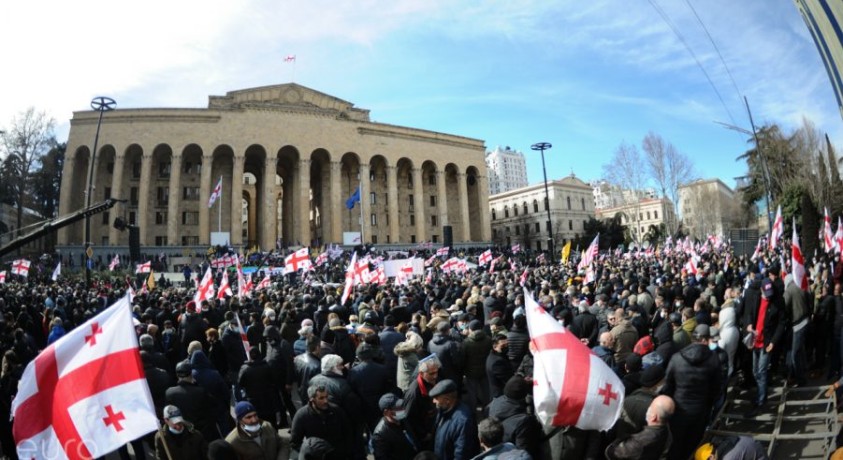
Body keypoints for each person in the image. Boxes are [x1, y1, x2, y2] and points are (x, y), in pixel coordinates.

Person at [661, 324, 722, 460]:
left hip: (678, 410)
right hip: (700, 411)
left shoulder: (677, 358)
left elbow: (667, 386)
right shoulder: (713, 359)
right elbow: (717, 388)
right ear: (706, 340)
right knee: (693, 445)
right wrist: (708, 405)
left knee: (675, 445)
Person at [746, 278, 784, 416]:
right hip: (755, 340)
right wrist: (749, 325)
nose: (768, 296)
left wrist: (773, 342)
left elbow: (781, 324)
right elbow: (751, 314)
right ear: (761, 289)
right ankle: (762, 394)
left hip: (767, 343)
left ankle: (761, 401)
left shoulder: (777, 302)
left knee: (761, 372)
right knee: (755, 371)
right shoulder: (756, 297)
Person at [290, 384, 354, 460]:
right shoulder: (301, 415)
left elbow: (348, 433)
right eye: (321, 398)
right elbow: (295, 442)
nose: (326, 401)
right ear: (312, 399)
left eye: (326, 397)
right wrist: (310, 453)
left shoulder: (337, 411)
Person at [604, 395, 675, 460]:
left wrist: (620, 439)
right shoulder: (667, 434)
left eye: (651, 406)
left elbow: (611, 453)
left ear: (654, 417)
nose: (648, 407)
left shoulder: (638, 442)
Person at [164, 361, 217, 441]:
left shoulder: (169, 393)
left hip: (183, 434)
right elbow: (213, 404)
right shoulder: (200, 391)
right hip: (203, 432)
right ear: (191, 374)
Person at [430, 379, 481, 460]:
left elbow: (461, 454)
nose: (433, 401)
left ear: (447, 400)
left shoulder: (463, 421)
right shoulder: (442, 410)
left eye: (436, 398)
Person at [404, 353, 442, 450]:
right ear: (421, 373)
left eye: (436, 372)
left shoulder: (430, 381)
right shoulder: (414, 393)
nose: (435, 376)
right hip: (424, 436)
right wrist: (424, 434)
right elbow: (409, 418)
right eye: (431, 373)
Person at [371, 393, 419, 460]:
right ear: (386, 412)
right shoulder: (380, 435)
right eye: (397, 408)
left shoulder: (402, 419)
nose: (402, 409)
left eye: (402, 406)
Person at [486, 333, 514, 400]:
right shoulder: (497, 362)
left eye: (507, 345)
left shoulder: (496, 356)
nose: (506, 347)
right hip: (501, 396)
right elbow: (508, 380)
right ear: (495, 346)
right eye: (503, 345)